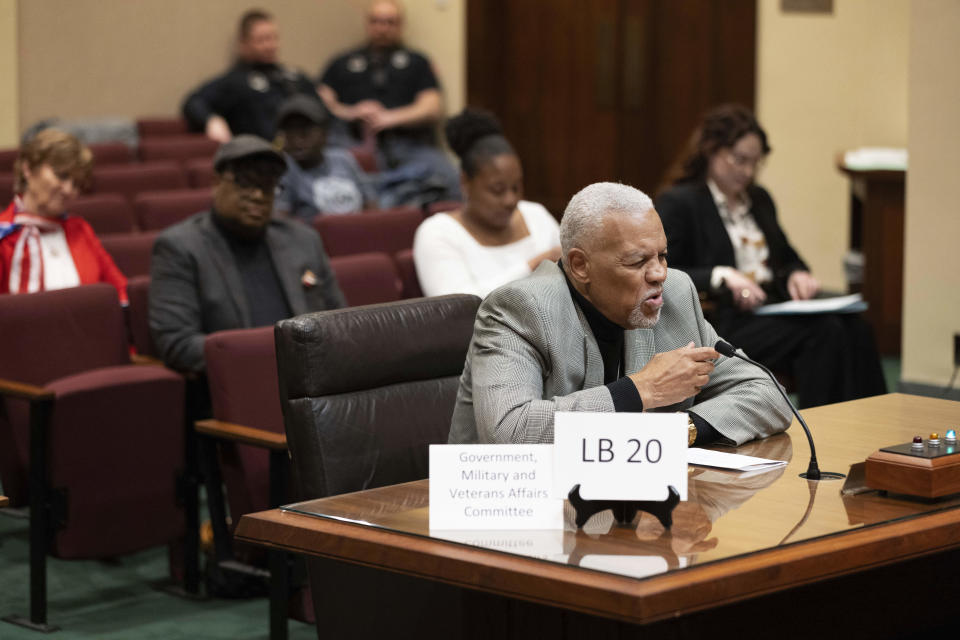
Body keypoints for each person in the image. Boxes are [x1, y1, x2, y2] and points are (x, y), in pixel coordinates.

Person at [448, 182, 791, 446]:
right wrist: (639, 390)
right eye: (638, 261)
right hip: (511, 518)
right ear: (580, 265)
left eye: (662, 256)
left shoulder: (675, 296)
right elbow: (509, 430)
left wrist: (677, 432)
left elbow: (766, 392)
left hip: (624, 511)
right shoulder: (519, 310)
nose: (658, 274)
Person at [655, 104, 886, 409]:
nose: (748, 172)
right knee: (825, 333)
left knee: (857, 327)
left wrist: (797, 273)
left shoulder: (759, 200)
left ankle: (871, 420)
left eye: (755, 163)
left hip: (773, 310)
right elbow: (666, 270)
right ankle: (825, 427)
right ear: (711, 151)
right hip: (724, 320)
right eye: (740, 160)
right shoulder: (681, 202)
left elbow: (788, 256)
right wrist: (721, 275)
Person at [149, 135, 344, 373]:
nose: (258, 196)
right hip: (236, 389)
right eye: (244, 183)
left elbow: (339, 322)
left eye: (267, 185)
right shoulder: (180, 247)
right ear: (217, 182)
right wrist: (267, 356)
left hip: (313, 382)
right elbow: (177, 344)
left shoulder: (303, 240)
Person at [317, 0, 460, 206]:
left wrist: (390, 118)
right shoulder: (343, 62)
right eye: (377, 21)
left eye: (390, 22)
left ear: (401, 25)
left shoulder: (417, 62)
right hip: (351, 147)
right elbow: (321, 101)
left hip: (410, 146)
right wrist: (352, 112)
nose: (382, 28)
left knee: (450, 180)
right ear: (367, 24)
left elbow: (432, 107)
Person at [413, 109, 560, 298]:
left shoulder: (536, 215)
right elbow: (455, 310)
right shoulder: (438, 232)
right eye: (497, 190)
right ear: (465, 182)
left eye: (516, 187)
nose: (510, 200)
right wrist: (533, 267)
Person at [1, 129, 127, 302]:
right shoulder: (3, 233)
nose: (68, 190)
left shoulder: (81, 230)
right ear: (28, 169)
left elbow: (120, 292)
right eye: (61, 175)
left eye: (76, 183)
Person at [182, 9, 319, 142]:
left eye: (273, 38)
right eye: (262, 40)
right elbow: (194, 103)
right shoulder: (235, 82)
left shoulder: (293, 76)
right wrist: (211, 120)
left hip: (316, 151)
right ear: (244, 44)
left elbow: (323, 112)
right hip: (269, 156)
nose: (270, 45)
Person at [273, 95, 377, 222]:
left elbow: (371, 204)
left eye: (305, 130)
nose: (297, 139)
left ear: (325, 133)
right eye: (289, 131)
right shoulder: (284, 170)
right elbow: (279, 222)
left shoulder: (342, 159)